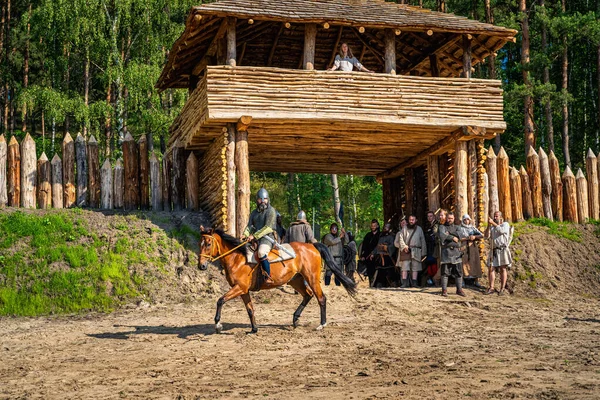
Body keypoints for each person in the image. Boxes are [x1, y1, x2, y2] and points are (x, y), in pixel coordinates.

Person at [241, 188, 278, 284]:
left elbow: (268, 228)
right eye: (260, 199)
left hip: (268, 238)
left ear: (268, 199)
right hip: (256, 239)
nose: (262, 201)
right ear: (257, 200)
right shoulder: (254, 213)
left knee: (261, 252)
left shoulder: (271, 211)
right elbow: (250, 226)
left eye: (264, 199)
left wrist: (254, 236)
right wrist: (245, 235)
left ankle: (267, 276)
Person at [437, 212, 467, 297]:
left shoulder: (458, 227)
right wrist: (453, 237)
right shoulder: (442, 227)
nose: (449, 220)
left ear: (454, 219)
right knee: (445, 272)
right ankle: (444, 290)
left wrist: (448, 235)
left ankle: (459, 290)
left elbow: (460, 235)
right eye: (448, 218)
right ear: (446, 218)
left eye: (451, 218)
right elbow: (442, 236)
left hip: (457, 252)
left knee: (459, 272)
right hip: (446, 252)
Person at [485, 211, 513, 296]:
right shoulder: (492, 227)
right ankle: (491, 287)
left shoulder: (505, 224)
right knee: (491, 268)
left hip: (503, 249)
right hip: (494, 249)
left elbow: (501, 231)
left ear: (500, 217)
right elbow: (486, 236)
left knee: (503, 269)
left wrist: (493, 223)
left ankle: (502, 288)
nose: (495, 217)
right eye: (494, 216)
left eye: (497, 216)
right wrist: (488, 226)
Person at [395, 215, 427, 288]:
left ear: (416, 220)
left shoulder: (419, 229)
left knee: (415, 267)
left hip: (416, 251)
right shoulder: (404, 228)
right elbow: (400, 239)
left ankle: (414, 284)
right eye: (410, 219)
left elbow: (422, 241)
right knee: (405, 267)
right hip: (406, 250)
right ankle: (404, 284)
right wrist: (404, 247)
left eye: (413, 220)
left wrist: (423, 253)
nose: (411, 221)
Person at [459, 214, 484, 288]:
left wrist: (474, 237)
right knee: (463, 262)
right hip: (463, 246)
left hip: (472, 247)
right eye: (465, 220)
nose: (466, 221)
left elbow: (481, 235)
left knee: (475, 262)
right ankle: (462, 281)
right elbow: (459, 238)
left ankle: (476, 280)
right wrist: (467, 238)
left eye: (467, 219)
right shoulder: (460, 228)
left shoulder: (472, 228)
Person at [371, 222, 397, 287]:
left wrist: (387, 248)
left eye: (387, 227)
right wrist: (373, 253)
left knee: (390, 271)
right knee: (380, 271)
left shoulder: (392, 237)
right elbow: (377, 246)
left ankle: (393, 283)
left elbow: (393, 246)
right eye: (385, 227)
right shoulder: (381, 237)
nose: (386, 228)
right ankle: (380, 283)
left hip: (389, 258)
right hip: (380, 257)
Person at [359, 219, 381, 285]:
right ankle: (371, 283)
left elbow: (380, 246)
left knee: (378, 271)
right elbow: (364, 247)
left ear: (377, 226)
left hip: (378, 257)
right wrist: (362, 256)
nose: (373, 227)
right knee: (369, 271)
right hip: (368, 256)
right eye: (372, 226)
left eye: (374, 225)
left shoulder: (380, 235)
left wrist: (374, 253)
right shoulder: (368, 235)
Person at [424, 211, 438, 286]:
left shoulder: (436, 225)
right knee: (429, 262)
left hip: (434, 246)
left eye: (431, 216)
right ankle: (431, 278)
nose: (429, 218)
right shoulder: (428, 226)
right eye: (428, 216)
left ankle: (435, 279)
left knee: (434, 262)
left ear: (434, 217)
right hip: (429, 246)